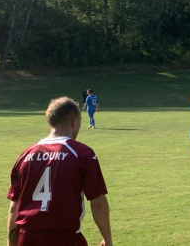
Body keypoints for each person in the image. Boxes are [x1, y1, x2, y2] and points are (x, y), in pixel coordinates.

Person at [7, 97, 112, 246]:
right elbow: (98, 202)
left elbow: (14, 208)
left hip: (27, 239)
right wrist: (108, 240)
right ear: (74, 121)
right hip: (65, 239)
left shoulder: (25, 155)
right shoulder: (82, 153)